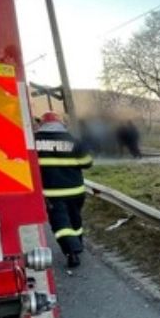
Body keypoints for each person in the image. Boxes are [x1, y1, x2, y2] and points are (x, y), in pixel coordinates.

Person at [34, 112, 94, 268]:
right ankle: (78, 244)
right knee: (75, 219)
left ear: (42, 124)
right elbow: (87, 163)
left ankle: (71, 251)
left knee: (60, 223)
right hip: (75, 190)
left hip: (51, 193)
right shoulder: (72, 140)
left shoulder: (33, 142)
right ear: (60, 123)